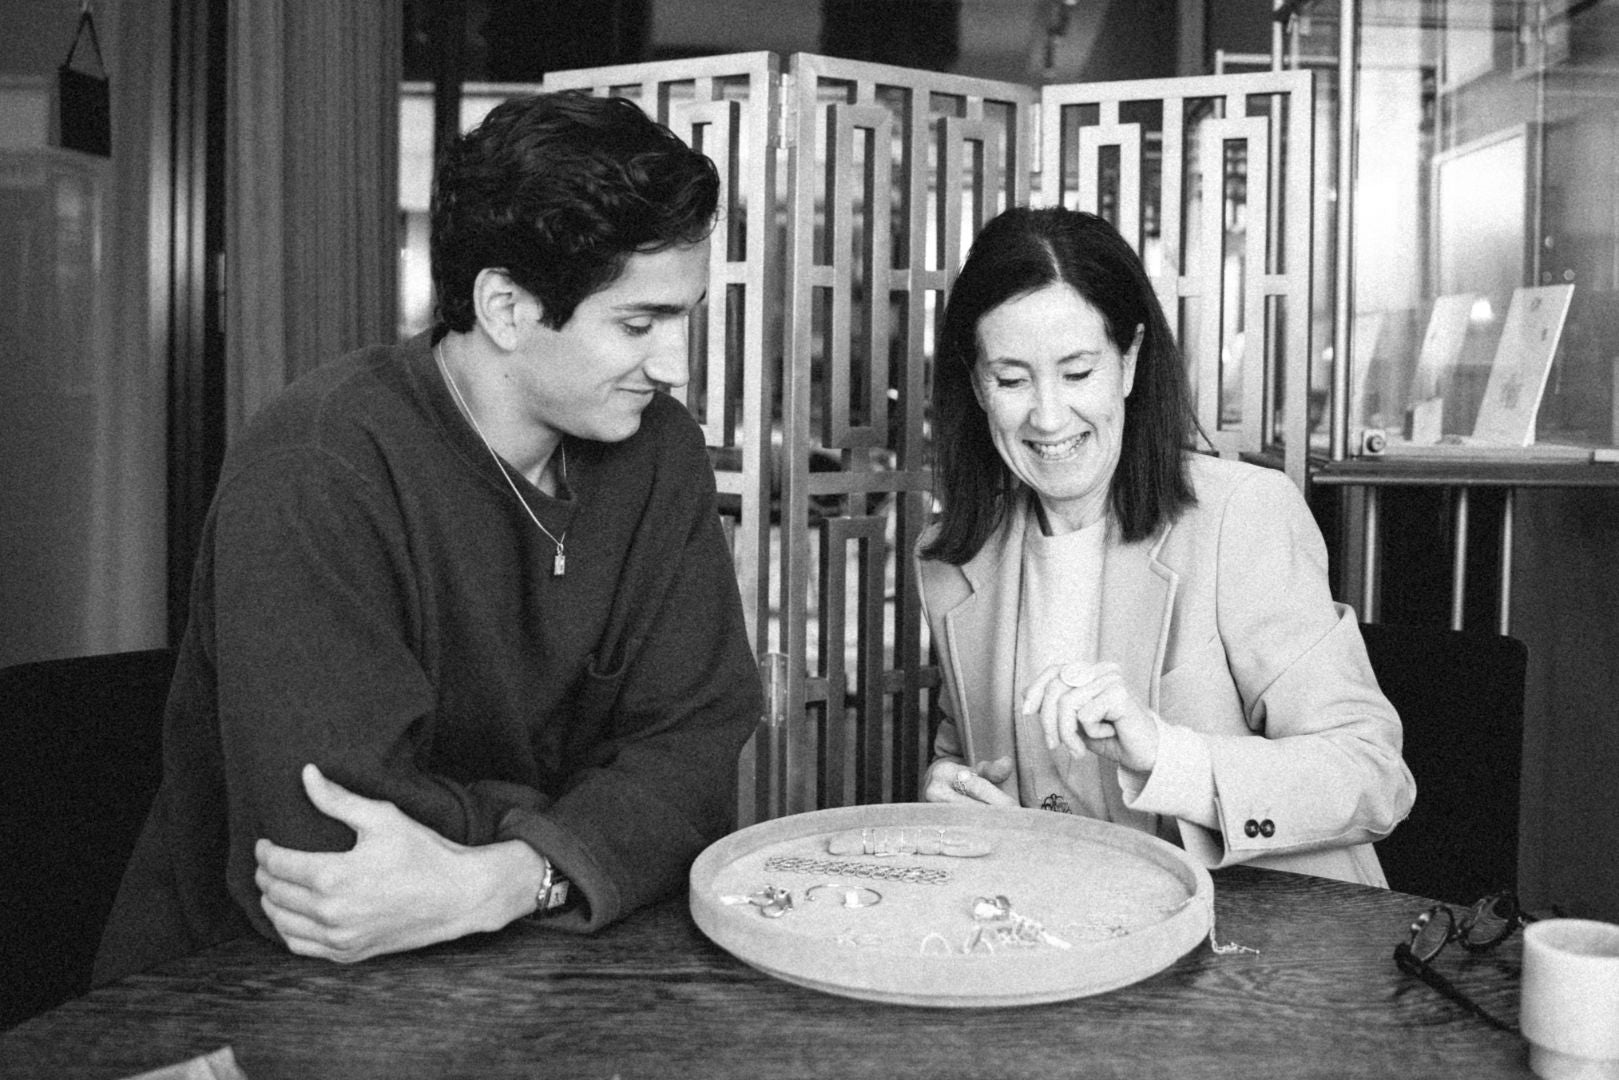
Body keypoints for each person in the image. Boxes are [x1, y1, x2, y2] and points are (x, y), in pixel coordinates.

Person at [94, 92, 762, 983]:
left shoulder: (660, 454)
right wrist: (592, 832)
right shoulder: (316, 471)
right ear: (505, 307)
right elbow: (329, 844)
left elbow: (699, 749)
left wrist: (508, 880)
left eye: (684, 317)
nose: (675, 366)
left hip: (546, 971)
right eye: (639, 325)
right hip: (248, 988)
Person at [916, 206, 1415, 886]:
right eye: (1010, 380)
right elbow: (978, 766)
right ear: (976, 387)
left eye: (1077, 371)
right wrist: (962, 799)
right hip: (1075, 939)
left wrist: (1167, 757)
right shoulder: (953, 559)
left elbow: (1373, 773)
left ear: (1128, 362)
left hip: (1266, 945)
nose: (1048, 415)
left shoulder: (1240, 516)